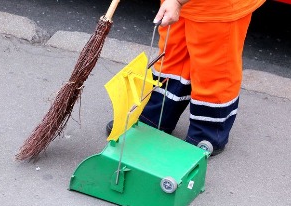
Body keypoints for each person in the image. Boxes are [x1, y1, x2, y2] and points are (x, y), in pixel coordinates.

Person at [108, 0, 265, 156]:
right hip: (185, 5)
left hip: (219, 7)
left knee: (214, 69)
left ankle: (208, 133)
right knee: (172, 57)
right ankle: (158, 114)